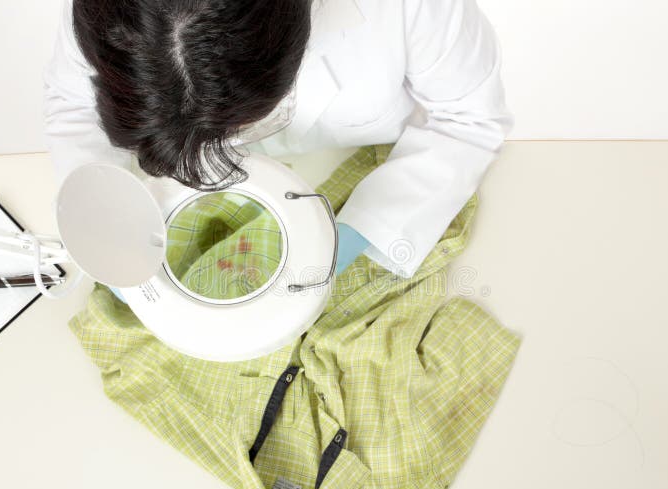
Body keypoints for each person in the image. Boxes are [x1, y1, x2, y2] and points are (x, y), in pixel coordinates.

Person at [44, 0, 512, 280]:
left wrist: (354, 236)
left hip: (355, 167)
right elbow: (73, 107)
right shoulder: (113, 14)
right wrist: (100, 227)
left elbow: (469, 120)